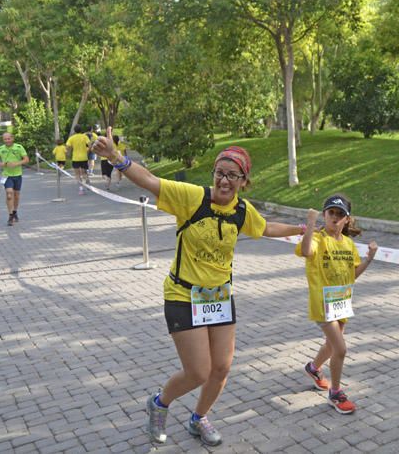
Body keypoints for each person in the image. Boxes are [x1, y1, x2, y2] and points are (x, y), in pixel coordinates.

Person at [91, 127, 305, 447]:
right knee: (198, 372)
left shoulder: (241, 211)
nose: (224, 180)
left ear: (244, 182)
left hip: (218, 296)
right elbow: (151, 181)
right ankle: (160, 403)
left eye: (233, 175)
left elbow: (266, 227)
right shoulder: (193, 197)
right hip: (183, 294)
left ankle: (198, 417)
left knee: (221, 367)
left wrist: (301, 228)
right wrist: (117, 158)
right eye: (220, 172)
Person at [296, 194, 378, 414]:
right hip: (322, 304)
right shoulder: (317, 238)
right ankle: (336, 393)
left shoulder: (349, 244)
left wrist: (369, 258)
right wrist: (311, 224)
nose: (334, 218)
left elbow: (352, 275)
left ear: (347, 220)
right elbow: (305, 251)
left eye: (340, 214)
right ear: (324, 215)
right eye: (331, 213)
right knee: (340, 348)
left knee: (332, 345)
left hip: (341, 302)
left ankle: (313, 369)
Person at [0, 132, 29, 226]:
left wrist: (16, 163)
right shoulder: (0, 149)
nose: (7, 140)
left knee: (16, 195)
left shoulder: (19, 147)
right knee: (9, 194)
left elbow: (26, 159)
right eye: (5, 139)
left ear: (12, 138)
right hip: (6, 175)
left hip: (17, 175)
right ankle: (10, 215)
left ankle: (15, 211)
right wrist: (2, 164)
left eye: (8, 138)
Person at [66, 124, 92, 195]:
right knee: (84, 173)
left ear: (74, 130)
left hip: (75, 158)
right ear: (81, 130)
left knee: (77, 174)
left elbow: (67, 147)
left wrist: (68, 152)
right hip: (84, 157)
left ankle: (81, 189)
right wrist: (87, 151)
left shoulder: (71, 138)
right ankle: (88, 183)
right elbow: (90, 145)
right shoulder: (85, 136)